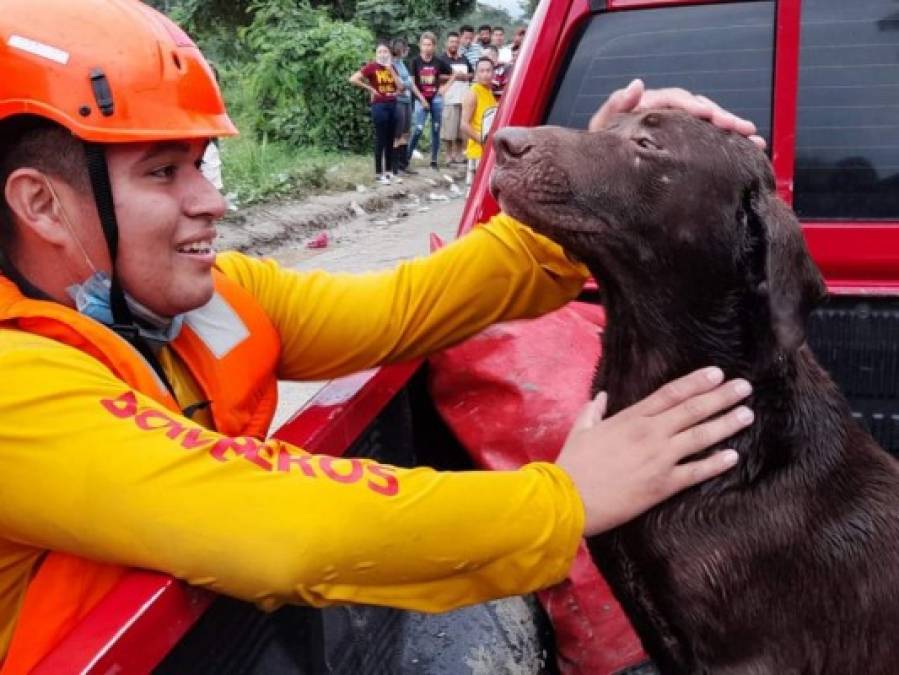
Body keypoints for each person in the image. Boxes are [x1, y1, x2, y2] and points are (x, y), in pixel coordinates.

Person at [0, 2, 766, 670]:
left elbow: (404, 308)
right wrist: (562, 503)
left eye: (202, 164)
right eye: (163, 173)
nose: (210, 202)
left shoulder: (204, 300)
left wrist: (586, 189)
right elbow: (279, 526)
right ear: (41, 204)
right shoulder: (15, 387)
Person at [349, 42, 405, 185]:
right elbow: (353, 79)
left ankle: (389, 172)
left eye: (385, 51)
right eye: (379, 52)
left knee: (391, 139)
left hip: (393, 104)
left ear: (389, 54)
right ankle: (378, 173)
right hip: (379, 105)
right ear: (376, 54)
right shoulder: (371, 67)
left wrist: (390, 70)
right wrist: (370, 89)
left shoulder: (392, 67)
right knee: (380, 139)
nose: (382, 54)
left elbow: (401, 87)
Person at [407, 31, 452, 170]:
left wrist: (445, 88)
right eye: (424, 44)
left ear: (434, 46)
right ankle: (406, 159)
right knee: (418, 129)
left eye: (430, 45)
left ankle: (433, 161)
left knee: (436, 129)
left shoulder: (439, 61)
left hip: (436, 99)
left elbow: (454, 74)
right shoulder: (415, 61)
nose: (427, 47)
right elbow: (412, 83)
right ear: (420, 46)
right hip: (421, 98)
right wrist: (422, 99)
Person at [461, 57, 498, 188]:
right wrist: (482, 140)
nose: (485, 74)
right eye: (481, 71)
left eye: (488, 70)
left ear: (493, 73)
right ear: (476, 74)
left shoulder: (489, 91)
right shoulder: (473, 93)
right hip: (477, 150)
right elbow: (464, 124)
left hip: (489, 150)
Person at [439, 31, 474, 165]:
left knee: (460, 128)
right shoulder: (442, 59)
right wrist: (454, 77)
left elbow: (472, 73)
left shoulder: (464, 58)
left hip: (463, 97)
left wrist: (466, 77)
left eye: (456, 42)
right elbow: (439, 76)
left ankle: (459, 154)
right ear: (447, 43)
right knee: (449, 128)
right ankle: (448, 154)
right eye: (451, 42)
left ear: (459, 44)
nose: (454, 44)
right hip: (449, 97)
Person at [390, 38, 418, 176]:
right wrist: (406, 83)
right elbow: (402, 84)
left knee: (406, 133)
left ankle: (403, 164)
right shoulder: (391, 64)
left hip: (406, 100)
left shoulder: (401, 63)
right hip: (398, 100)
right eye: (405, 48)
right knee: (398, 133)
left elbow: (407, 82)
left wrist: (406, 83)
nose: (407, 51)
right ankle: (395, 166)